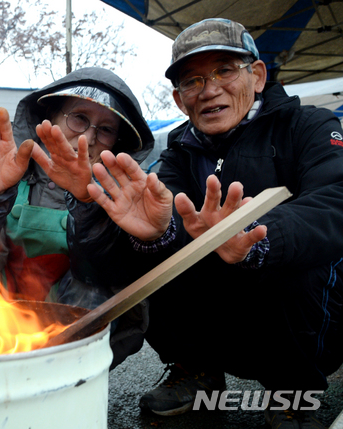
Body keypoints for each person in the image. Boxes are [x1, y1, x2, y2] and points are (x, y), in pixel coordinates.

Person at [45, 18, 343, 429]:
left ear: (256, 76)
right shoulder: (177, 152)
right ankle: (196, 370)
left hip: (296, 313)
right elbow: (129, 252)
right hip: (222, 305)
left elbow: (335, 199)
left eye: (225, 70)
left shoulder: (308, 127)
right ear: (179, 99)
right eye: (193, 81)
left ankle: (290, 389)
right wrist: (149, 231)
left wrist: (260, 240)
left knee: (304, 259)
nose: (209, 89)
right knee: (147, 252)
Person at [0, 67, 160, 367]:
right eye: (79, 118)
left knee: (94, 286)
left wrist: (88, 206)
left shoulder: (122, 198)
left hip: (71, 334)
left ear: (116, 144)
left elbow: (114, 272)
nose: (88, 137)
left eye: (106, 129)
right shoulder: (6, 174)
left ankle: (67, 383)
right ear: (51, 118)